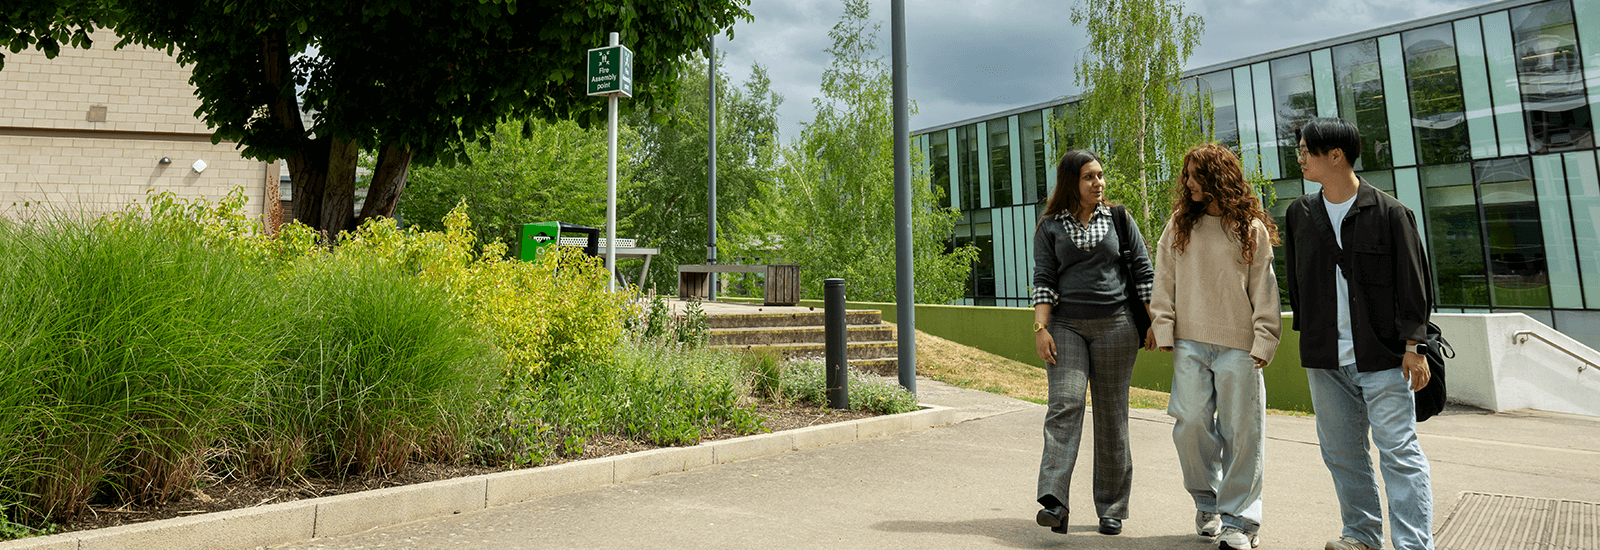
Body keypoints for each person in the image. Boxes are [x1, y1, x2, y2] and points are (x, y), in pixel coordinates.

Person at [1284, 117, 1434, 550]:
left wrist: (1414, 347)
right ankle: (1362, 537)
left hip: (1384, 357)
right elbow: (1298, 282)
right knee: (1343, 455)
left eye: (1305, 151)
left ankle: (1413, 545)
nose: (1300, 159)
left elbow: (1414, 284)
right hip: (1326, 359)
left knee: (1399, 454)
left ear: (1335, 155)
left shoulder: (1390, 213)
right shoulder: (1300, 213)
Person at [1151, 143, 1281, 550]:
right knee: (1189, 424)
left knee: (1243, 432)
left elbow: (1265, 288)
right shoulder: (1179, 225)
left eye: (1195, 175)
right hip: (1190, 341)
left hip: (1240, 347)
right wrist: (1163, 327)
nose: (1187, 182)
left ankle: (1240, 521)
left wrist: (1265, 338)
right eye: (1186, 175)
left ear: (1217, 178)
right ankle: (1207, 501)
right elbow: (1164, 279)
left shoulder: (1250, 229)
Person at [1030, 149, 1155, 537]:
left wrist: (1154, 323)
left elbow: (1143, 272)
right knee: (1065, 404)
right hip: (1066, 326)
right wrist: (1041, 328)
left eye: (1100, 176)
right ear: (1072, 182)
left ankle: (1112, 507)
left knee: (1112, 416)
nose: (1098, 183)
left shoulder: (1119, 218)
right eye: (1089, 177)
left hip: (1117, 326)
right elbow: (1044, 278)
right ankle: (1054, 500)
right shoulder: (1050, 226)